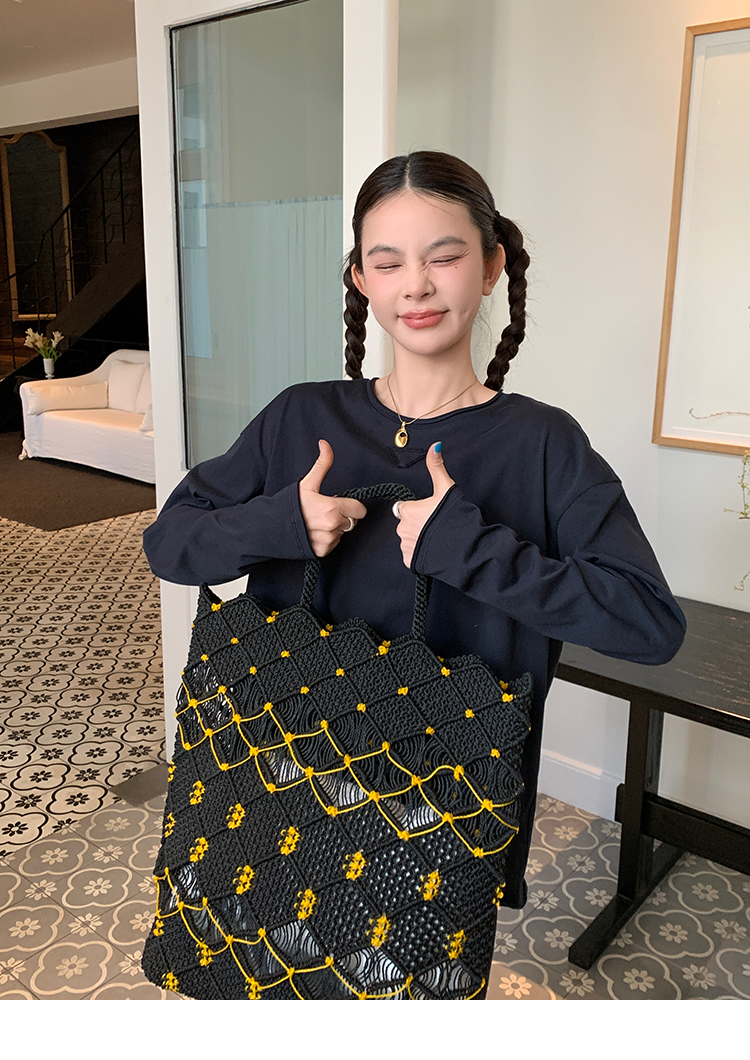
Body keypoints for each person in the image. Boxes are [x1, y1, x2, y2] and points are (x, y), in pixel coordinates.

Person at [143, 150, 686, 995]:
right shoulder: (300, 416)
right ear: (361, 279)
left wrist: (471, 550)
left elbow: (647, 624)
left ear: (492, 265)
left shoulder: (541, 443)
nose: (417, 285)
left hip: (434, 811)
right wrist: (282, 523)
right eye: (388, 262)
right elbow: (170, 543)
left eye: (445, 255)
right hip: (276, 777)